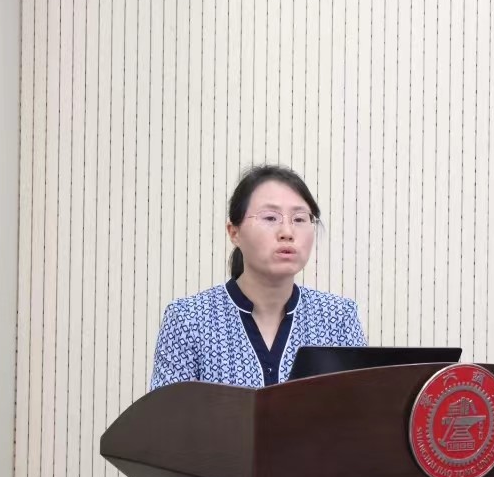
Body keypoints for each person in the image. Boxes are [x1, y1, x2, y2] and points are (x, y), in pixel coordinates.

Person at [150, 164, 367, 390]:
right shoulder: (187, 320)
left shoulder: (339, 318)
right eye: (270, 218)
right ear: (234, 232)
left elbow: (362, 406)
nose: (287, 232)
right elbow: (168, 411)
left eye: (300, 219)